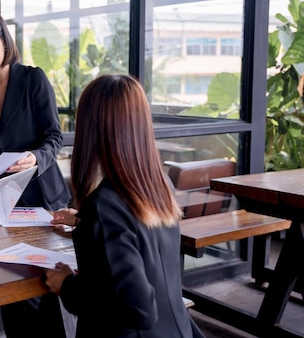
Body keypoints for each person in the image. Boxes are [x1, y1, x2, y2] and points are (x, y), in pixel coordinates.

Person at [44, 74, 206, 338]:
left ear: (91, 128)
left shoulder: (105, 205)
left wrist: (67, 285)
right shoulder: (159, 185)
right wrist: (85, 221)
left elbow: (138, 309)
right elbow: (141, 245)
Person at [0, 8, 72, 338]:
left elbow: (54, 136)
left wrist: (34, 158)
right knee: (7, 287)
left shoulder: (32, 79)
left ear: (5, 41)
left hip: (42, 200)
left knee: (47, 287)